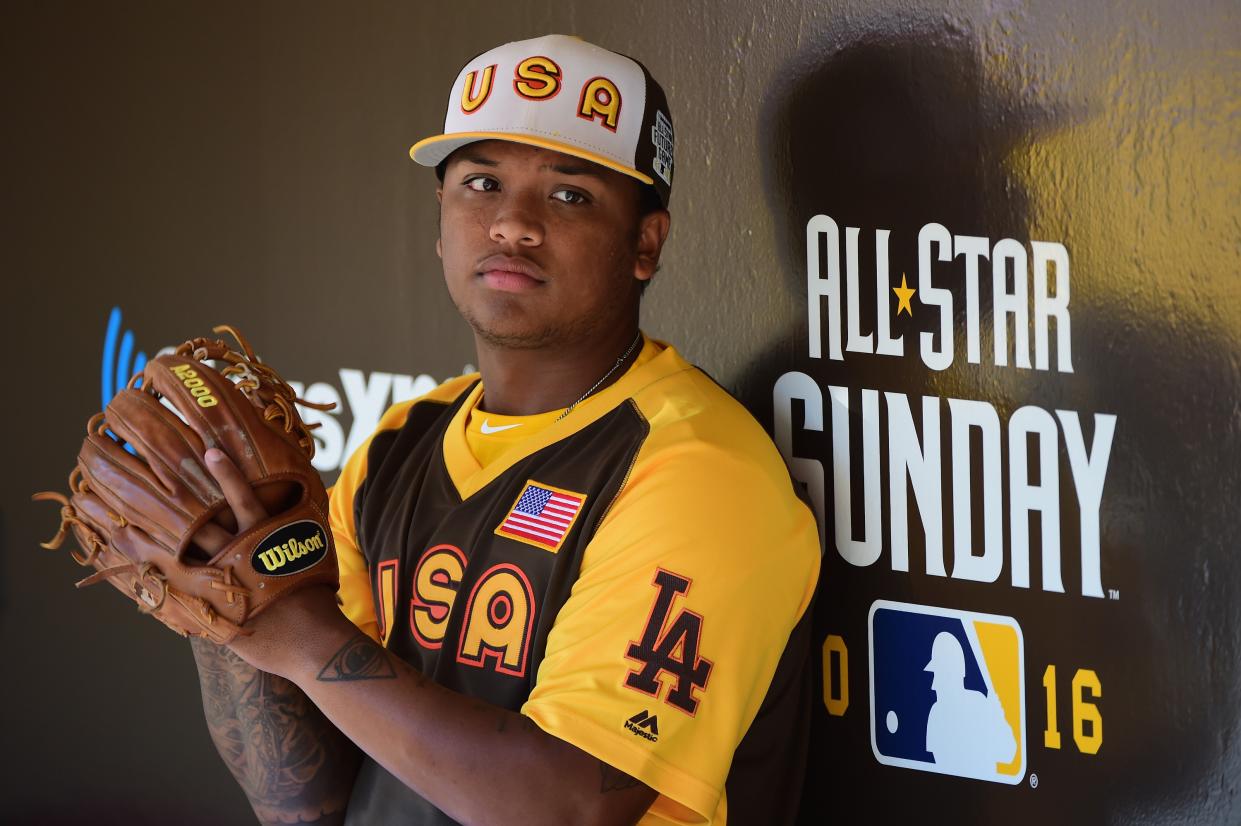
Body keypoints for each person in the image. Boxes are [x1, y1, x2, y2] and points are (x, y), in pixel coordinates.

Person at [188, 34, 820, 825]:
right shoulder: (400, 441)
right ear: (441, 221)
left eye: (569, 195)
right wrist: (223, 607)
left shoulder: (695, 470)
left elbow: (567, 810)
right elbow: (304, 800)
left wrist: (294, 631)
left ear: (645, 244)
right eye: (481, 183)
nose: (512, 225)